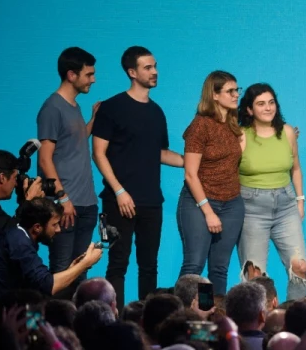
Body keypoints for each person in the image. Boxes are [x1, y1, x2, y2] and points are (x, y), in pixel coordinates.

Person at [92, 46, 184, 303]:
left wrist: (191, 162)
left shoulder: (157, 112)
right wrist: (119, 191)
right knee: (117, 264)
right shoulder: (112, 108)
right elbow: (98, 153)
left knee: (149, 266)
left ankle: (147, 321)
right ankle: (114, 321)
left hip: (151, 201)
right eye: (148, 67)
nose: (154, 72)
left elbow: (159, 153)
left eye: (155, 66)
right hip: (117, 201)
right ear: (132, 72)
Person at [38, 47, 101, 298]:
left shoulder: (73, 106)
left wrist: (93, 120)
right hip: (66, 207)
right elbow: (45, 159)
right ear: (71, 75)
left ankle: (76, 332)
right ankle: (54, 332)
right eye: (89, 74)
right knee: (62, 273)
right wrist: (63, 199)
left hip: (85, 205)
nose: (93, 79)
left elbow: (73, 142)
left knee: (80, 275)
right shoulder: (52, 107)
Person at [236, 83, 306, 301]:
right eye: (260, 104)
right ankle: (258, 326)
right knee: (255, 276)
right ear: (249, 110)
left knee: (300, 268)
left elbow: (296, 168)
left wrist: (300, 201)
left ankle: (295, 320)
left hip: (286, 205)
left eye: (271, 102)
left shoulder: (287, 132)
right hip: (252, 208)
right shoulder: (240, 135)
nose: (268, 108)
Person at [177, 70, 245, 295]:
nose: (236, 95)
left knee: (219, 268)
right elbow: (190, 174)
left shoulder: (233, 124)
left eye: (237, 90)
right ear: (214, 95)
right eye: (230, 91)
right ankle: (184, 318)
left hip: (232, 204)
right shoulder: (200, 125)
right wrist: (208, 212)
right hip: (200, 203)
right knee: (194, 266)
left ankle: (214, 316)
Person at [0, 198, 102, 298]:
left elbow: (39, 281)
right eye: (55, 224)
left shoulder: (19, 234)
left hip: (2, 299)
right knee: (40, 307)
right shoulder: (20, 243)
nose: (58, 230)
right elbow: (48, 286)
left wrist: (73, 268)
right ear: (37, 227)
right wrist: (85, 264)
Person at [0, 150, 45, 246]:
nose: (16, 183)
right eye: (15, 178)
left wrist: (25, 202)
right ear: (2, 178)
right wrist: (29, 201)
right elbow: (11, 234)